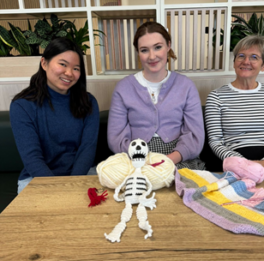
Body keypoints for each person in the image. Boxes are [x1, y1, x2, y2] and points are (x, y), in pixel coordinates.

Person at [205, 35, 264, 218]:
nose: (246, 61)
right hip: (235, 156)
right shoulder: (216, 97)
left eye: (254, 57)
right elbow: (216, 141)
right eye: (241, 56)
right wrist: (244, 166)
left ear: (263, 65)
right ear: (234, 62)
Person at [107, 21, 205, 169]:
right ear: (138, 52)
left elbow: (195, 136)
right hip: (134, 158)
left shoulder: (186, 86)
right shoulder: (123, 88)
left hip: (179, 158)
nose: (152, 56)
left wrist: (168, 160)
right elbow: (116, 137)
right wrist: (142, 160)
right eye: (144, 50)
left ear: (168, 46)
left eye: (158, 47)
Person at [10, 38, 100, 193]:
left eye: (76, 68)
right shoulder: (22, 105)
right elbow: (32, 158)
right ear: (44, 63)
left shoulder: (89, 102)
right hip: (36, 178)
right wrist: (59, 190)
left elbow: (87, 149)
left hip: (81, 175)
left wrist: (72, 186)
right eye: (63, 64)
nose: (69, 73)